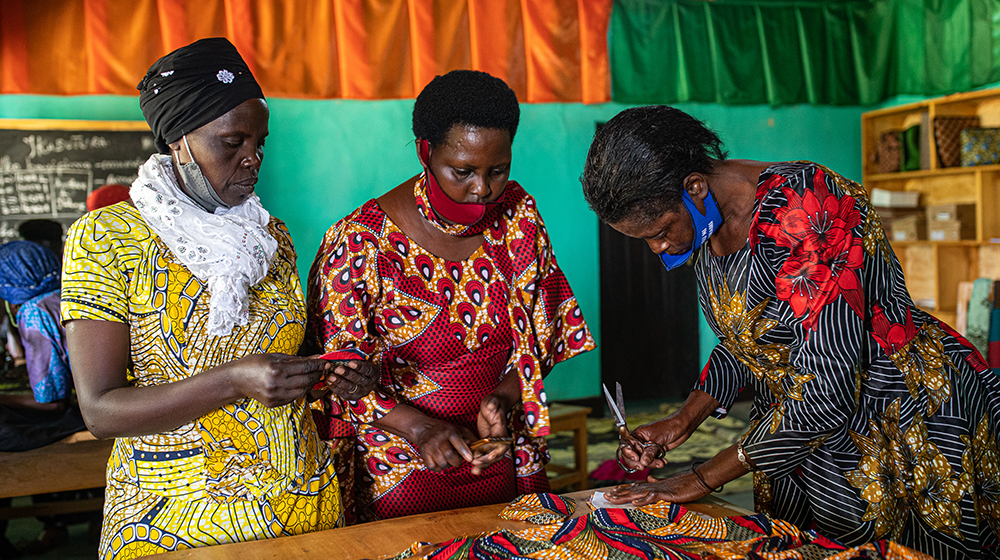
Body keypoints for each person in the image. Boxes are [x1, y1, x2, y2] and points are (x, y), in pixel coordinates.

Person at [580, 105, 1000, 559]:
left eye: (660, 231)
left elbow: (827, 385)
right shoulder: (706, 225)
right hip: (797, 434)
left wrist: (702, 477)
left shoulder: (807, 208)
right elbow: (749, 340)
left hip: (897, 418)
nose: (659, 248)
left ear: (695, 187)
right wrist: (685, 418)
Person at [60, 38, 376, 559]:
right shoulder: (108, 237)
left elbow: (282, 364)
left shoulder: (271, 237)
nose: (252, 159)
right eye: (232, 141)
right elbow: (100, 410)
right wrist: (233, 382)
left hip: (302, 513)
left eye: (260, 142)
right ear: (179, 140)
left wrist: (328, 377)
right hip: (178, 524)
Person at [306, 70, 595, 523]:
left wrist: (503, 396)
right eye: (462, 171)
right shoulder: (359, 244)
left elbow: (545, 335)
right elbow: (338, 375)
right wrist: (420, 427)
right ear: (425, 151)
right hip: (400, 461)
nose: (482, 189)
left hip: (498, 449)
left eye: (497, 170)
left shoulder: (518, 218)